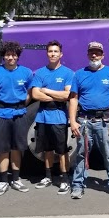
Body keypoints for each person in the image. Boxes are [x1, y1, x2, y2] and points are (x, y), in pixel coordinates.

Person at [68, 41, 109, 200]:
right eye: (91, 52)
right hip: (84, 121)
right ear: (87, 54)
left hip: (105, 121)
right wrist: (72, 121)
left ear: (103, 55)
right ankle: (78, 185)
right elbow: (73, 98)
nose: (94, 55)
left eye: (97, 52)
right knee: (81, 155)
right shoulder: (79, 74)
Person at [0, 40, 34, 196]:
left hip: (20, 114)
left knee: (17, 148)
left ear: (18, 56)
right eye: (7, 55)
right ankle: (4, 181)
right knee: (3, 149)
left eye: (13, 55)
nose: (10, 58)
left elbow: (30, 93)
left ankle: (16, 179)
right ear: (3, 56)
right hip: (1, 115)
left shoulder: (26, 72)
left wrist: (21, 105)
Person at [30, 40, 75, 195]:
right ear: (47, 53)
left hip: (59, 117)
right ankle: (48, 177)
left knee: (62, 151)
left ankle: (64, 179)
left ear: (60, 54)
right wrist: (57, 96)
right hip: (42, 117)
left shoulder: (68, 73)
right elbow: (35, 94)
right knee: (47, 150)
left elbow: (67, 95)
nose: (53, 54)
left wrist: (46, 91)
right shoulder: (40, 73)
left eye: (56, 51)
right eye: (50, 51)